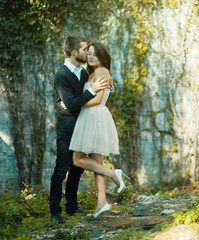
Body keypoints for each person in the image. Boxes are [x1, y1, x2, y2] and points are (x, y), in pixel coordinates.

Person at [50, 34, 109, 224]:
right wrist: (89, 92)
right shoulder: (61, 75)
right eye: (85, 49)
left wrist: (104, 89)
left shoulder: (83, 73)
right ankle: (55, 212)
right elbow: (73, 103)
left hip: (84, 125)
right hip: (67, 128)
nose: (87, 52)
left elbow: (80, 100)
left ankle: (72, 208)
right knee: (61, 169)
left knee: (77, 169)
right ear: (75, 52)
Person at [69, 42, 128, 218]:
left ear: (102, 57)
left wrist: (77, 105)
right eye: (89, 54)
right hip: (91, 116)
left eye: (95, 54)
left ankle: (113, 173)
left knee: (77, 159)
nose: (91, 56)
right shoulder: (93, 73)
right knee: (96, 162)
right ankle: (101, 202)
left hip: (93, 115)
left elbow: (98, 99)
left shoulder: (101, 71)